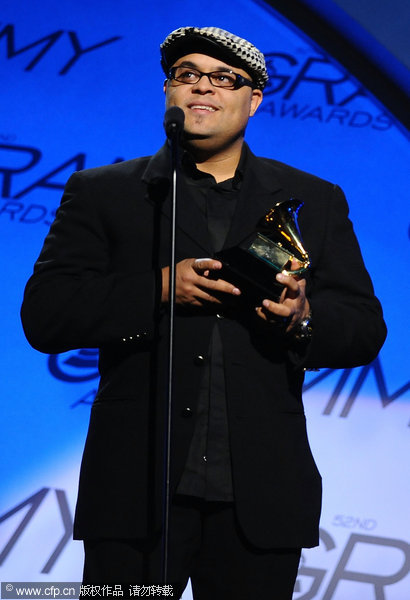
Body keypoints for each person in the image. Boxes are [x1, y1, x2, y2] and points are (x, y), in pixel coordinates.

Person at [21, 26, 386, 600]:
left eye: (223, 79)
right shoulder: (105, 192)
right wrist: (160, 288)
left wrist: (302, 319)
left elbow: (364, 327)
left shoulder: (313, 198)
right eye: (186, 75)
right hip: (136, 492)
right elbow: (46, 315)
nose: (201, 89)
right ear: (168, 92)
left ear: (253, 99)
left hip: (261, 496)